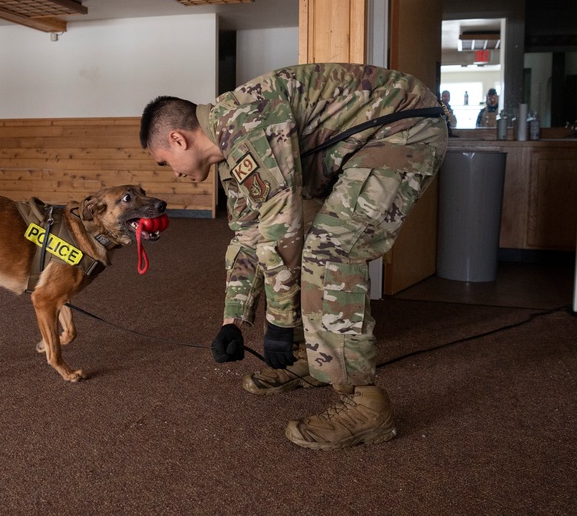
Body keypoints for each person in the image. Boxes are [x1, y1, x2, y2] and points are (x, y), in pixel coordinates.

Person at [139, 63, 447, 450]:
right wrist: (232, 320)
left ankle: (366, 404)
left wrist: (278, 325)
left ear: (178, 139)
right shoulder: (230, 157)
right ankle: (310, 358)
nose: (173, 174)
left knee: (330, 251)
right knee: (296, 245)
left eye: (164, 163)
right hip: (358, 146)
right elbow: (249, 236)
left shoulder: (243, 121)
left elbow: (281, 227)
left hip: (403, 129)